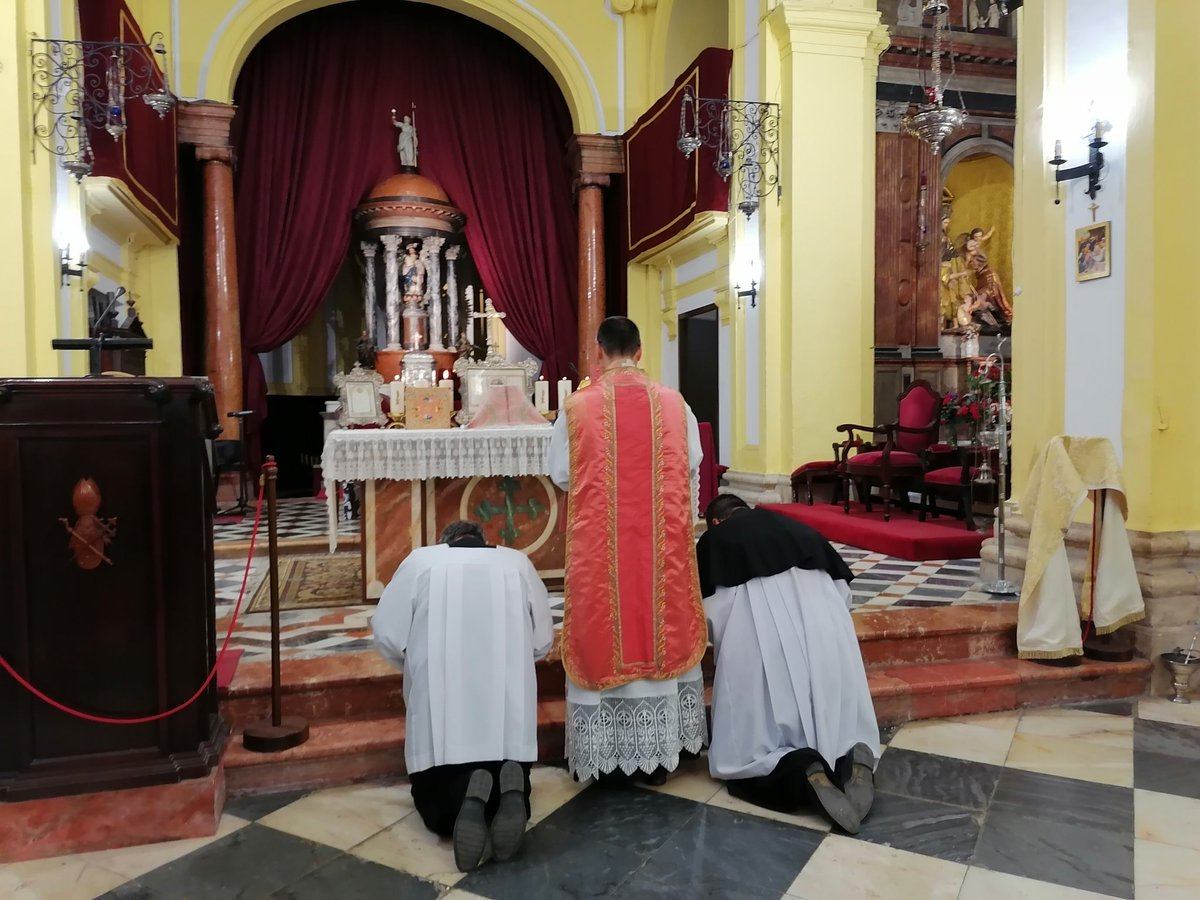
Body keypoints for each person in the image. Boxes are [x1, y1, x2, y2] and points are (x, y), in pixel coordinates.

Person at [548, 316, 707, 784]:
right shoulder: (675, 403)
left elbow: (561, 474)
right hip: (663, 548)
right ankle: (660, 753)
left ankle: (605, 759)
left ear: (598, 352)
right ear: (640, 352)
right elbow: (693, 463)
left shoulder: (577, 407)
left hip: (599, 545)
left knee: (604, 627)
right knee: (661, 622)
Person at [372, 520, 553, 872]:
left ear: (446, 542)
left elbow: (386, 634)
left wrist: (413, 663)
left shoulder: (421, 562)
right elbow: (542, 639)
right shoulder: (517, 563)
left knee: (435, 805)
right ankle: (512, 788)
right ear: (482, 540)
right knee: (508, 758)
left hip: (443, 715)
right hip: (506, 716)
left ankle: (463, 795)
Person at [696, 494, 880, 833]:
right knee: (830, 724)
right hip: (828, 629)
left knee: (750, 746)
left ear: (716, 522)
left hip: (760, 638)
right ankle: (849, 758)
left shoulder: (715, 540)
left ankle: (801, 768)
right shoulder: (797, 527)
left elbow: (707, 615)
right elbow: (844, 592)